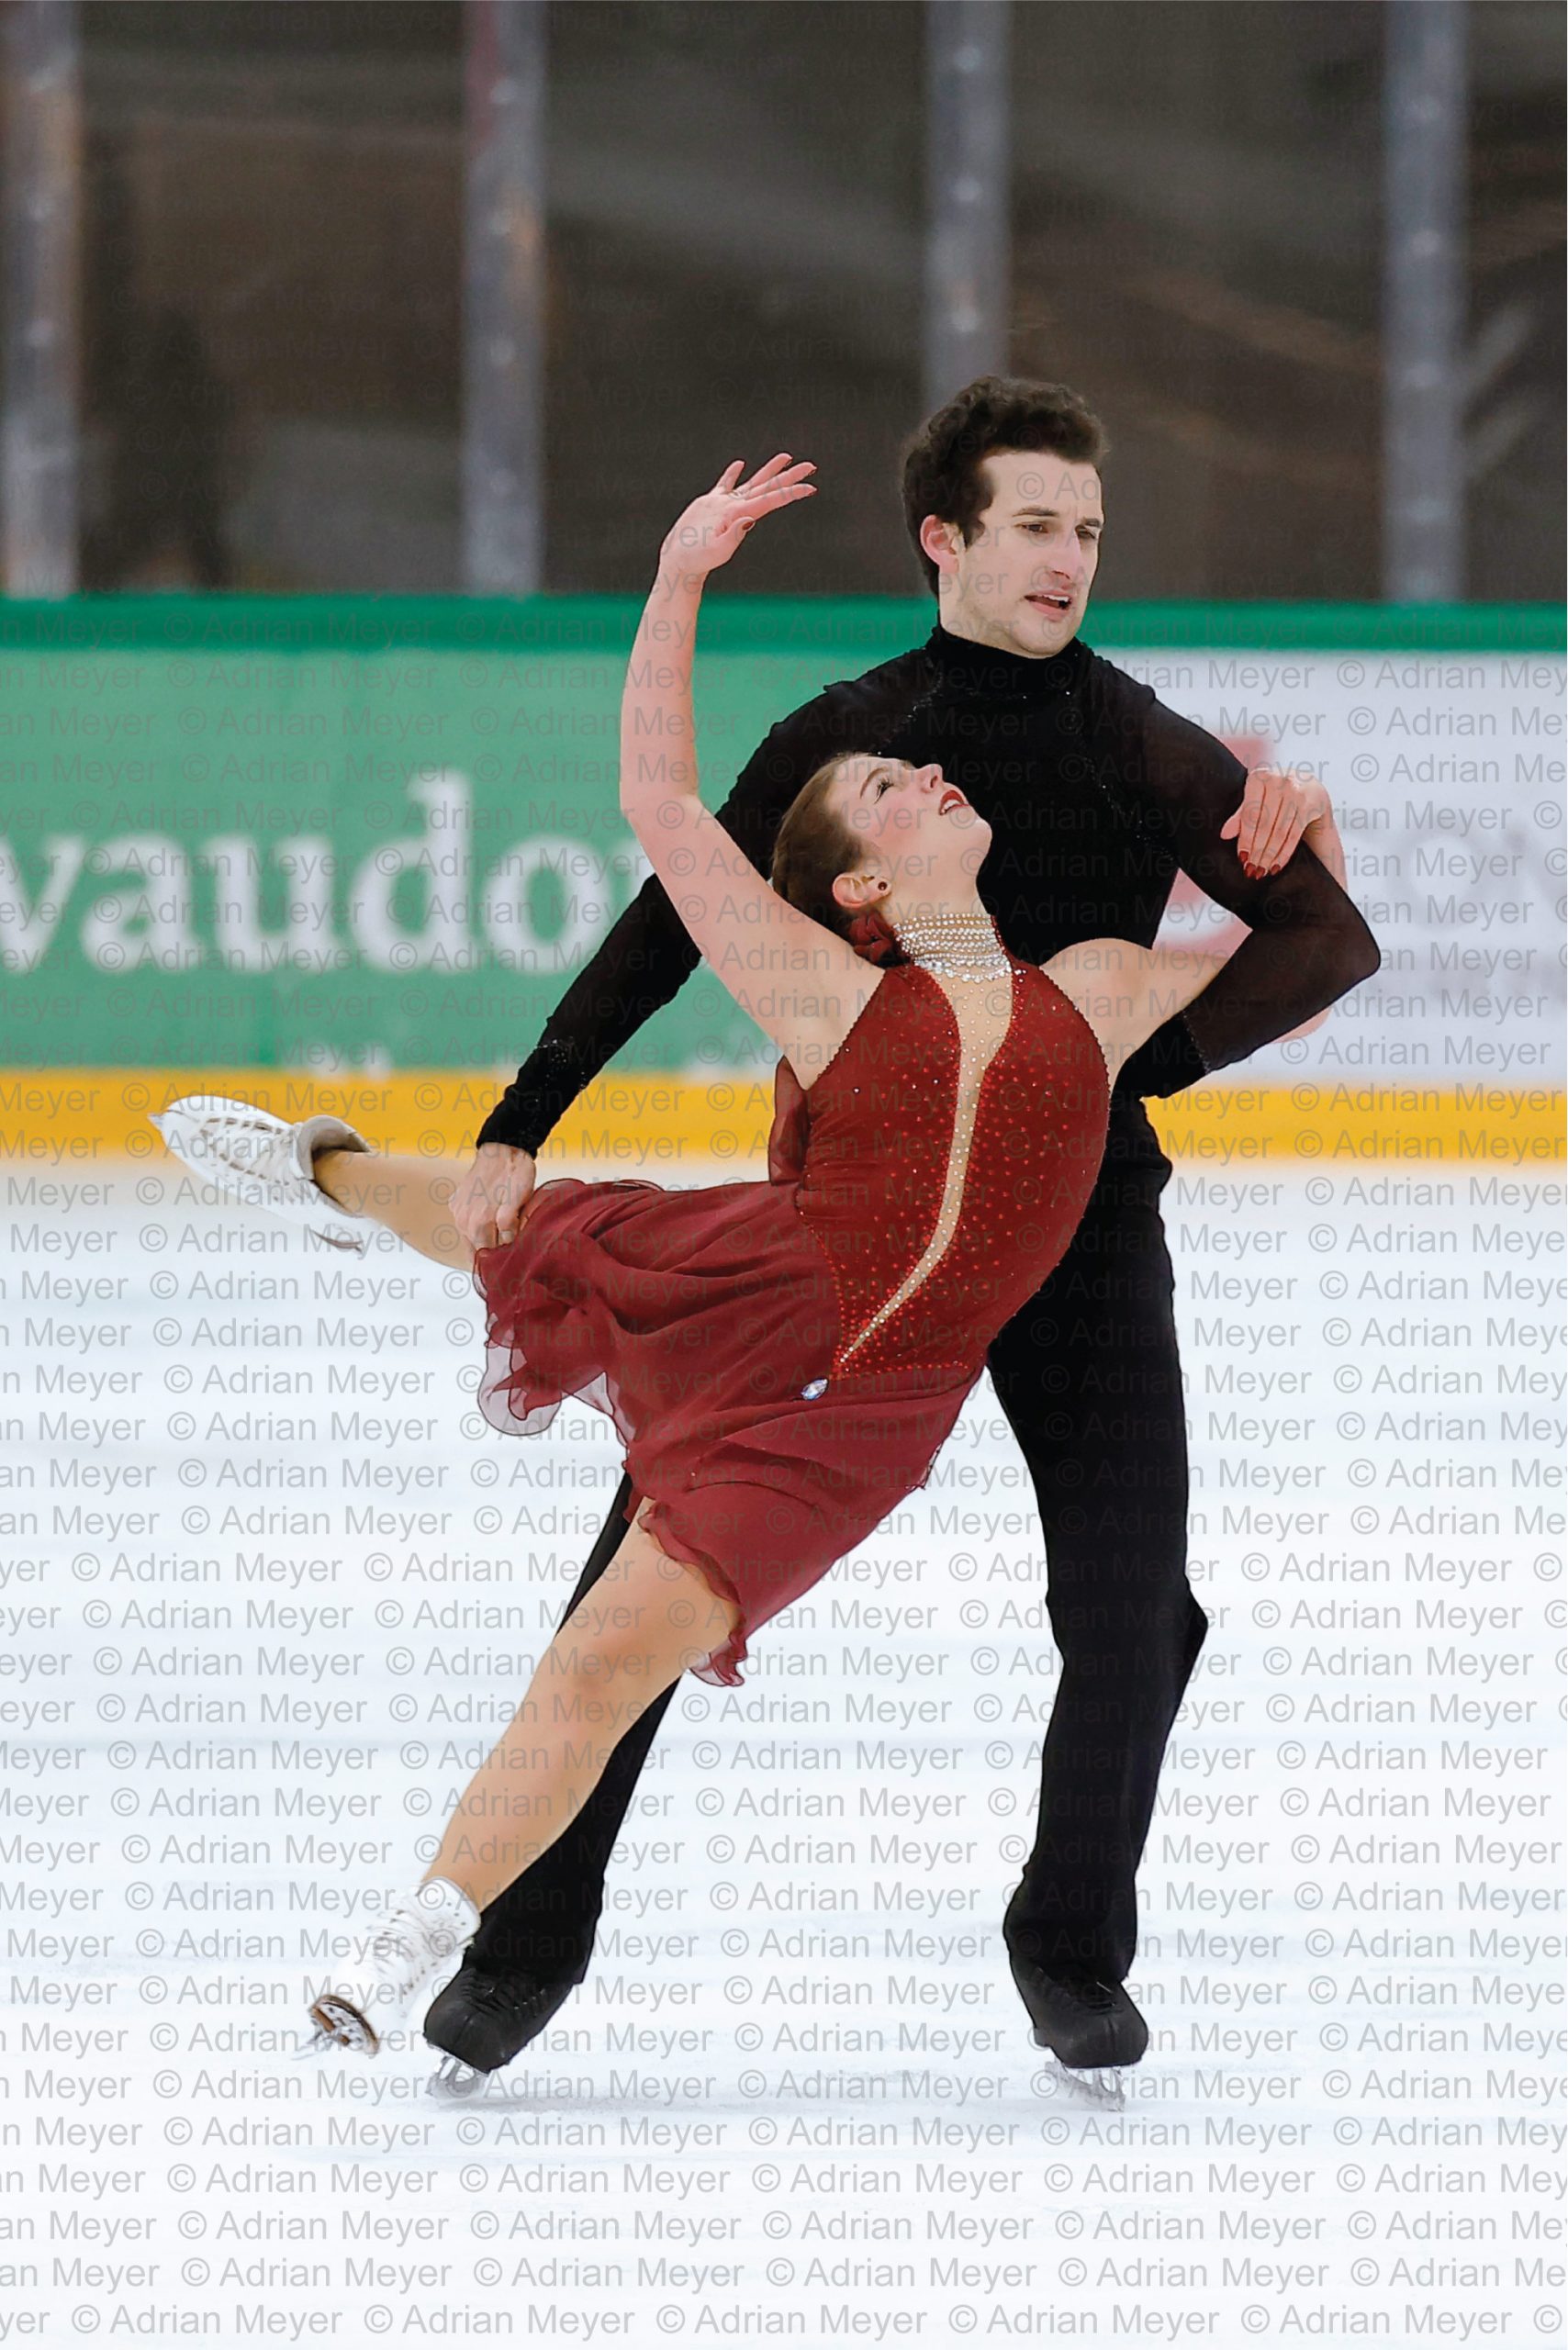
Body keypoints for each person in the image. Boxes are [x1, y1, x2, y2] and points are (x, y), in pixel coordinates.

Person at [153, 450, 1328, 2091]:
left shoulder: (1106, 960)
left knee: (693, 1640)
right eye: (893, 794)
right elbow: (657, 816)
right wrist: (678, 575)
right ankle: (329, 1173)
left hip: (930, 1356)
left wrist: (1295, 828)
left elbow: (1309, 938)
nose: (925, 778)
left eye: (1088, 530)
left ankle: (1059, 1951)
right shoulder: (832, 979)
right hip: (773, 1288)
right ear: (857, 885)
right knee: (530, 1242)